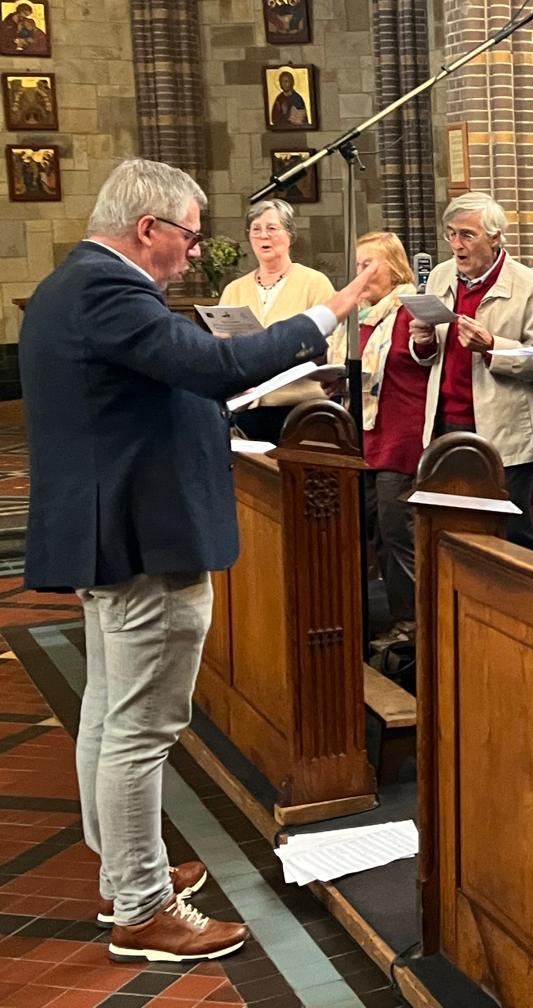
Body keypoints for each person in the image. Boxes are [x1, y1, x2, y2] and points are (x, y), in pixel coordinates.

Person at [20, 158, 373, 961]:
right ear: (148, 229)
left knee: (111, 716)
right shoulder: (109, 290)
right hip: (147, 538)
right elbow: (213, 366)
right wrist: (334, 309)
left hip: (116, 532)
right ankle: (141, 908)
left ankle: (126, 873)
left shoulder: (73, 284)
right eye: (186, 234)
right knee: (141, 730)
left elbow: (165, 388)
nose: (191, 252)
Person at [409, 192, 533, 552]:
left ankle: (525, 601)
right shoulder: (441, 276)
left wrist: (492, 346)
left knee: (509, 531)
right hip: (446, 423)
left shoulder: (528, 284)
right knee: (453, 527)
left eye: (467, 235)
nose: (456, 245)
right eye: (451, 234)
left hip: (503, 430)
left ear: (494, 237)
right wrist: (424, 340)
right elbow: (429, 358)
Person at [219, 200, 343, 442]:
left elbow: (333, 344)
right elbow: (222, 348)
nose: (263, 235)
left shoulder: (314, 283)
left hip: (301, 410)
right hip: (247, 410)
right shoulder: (234, 289)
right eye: (256, 229)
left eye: (272, 228)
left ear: (290, 234)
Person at [354, 231, 425, 638]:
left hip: (402, 436)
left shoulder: (408, 310)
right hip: (365, 435)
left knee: (398, 533)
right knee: (376, 531)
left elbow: (422, 357)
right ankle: (392, 620)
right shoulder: (361, 315)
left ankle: (411, 625)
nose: (360, 273)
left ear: (394, 266)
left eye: (369, 264)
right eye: (358, 265)